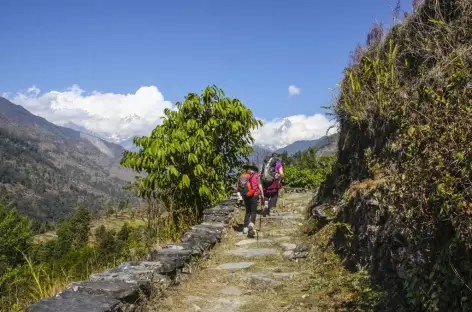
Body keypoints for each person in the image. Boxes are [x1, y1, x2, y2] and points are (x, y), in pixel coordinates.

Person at [236, 162, 264, 238]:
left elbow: (237, 187)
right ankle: (251, 225)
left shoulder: (242, 176)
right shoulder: (257, 175)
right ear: (254, 169)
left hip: (245, 195)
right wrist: (262, 194)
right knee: (253, 211)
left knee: (248, 211)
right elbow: (259, 185)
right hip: (254, 195)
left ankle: (245, 228)